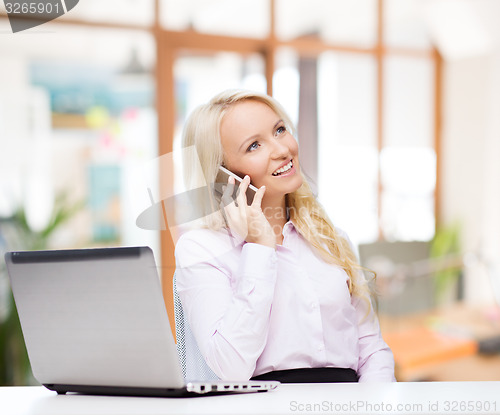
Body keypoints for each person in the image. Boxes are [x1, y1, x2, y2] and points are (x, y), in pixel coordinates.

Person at [174, 89, 396, 383]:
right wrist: (258, 247)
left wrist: (371, 407)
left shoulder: (331, 238)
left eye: (280, 130)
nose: (282, 149)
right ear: (225, 176)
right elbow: (230, 368)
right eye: (254, 145)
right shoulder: (202, 248)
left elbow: (370, 351)